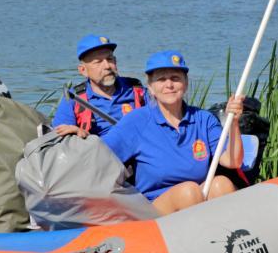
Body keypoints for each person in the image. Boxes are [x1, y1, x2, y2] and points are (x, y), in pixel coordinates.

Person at [101, 50, 244, 215]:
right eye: (161, 79)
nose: (169, 85)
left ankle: (229, 236)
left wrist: (233, 122)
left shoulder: (203, 119)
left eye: (175, 78)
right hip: (153, 207)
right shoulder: (136, 121)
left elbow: (233, 161)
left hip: (197, 197)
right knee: (188, 193)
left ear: (186, 83)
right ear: (151, 87)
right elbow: (101, 157)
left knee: (222, 184)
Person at [51, 34, 147, 137]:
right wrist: (79, 136)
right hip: (97, 151)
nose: (107, 66)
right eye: (98, 62)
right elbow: (60, 138)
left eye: (109, 59)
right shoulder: (74, 99)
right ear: (83, 70)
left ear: (115, 61)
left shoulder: (137, 90)